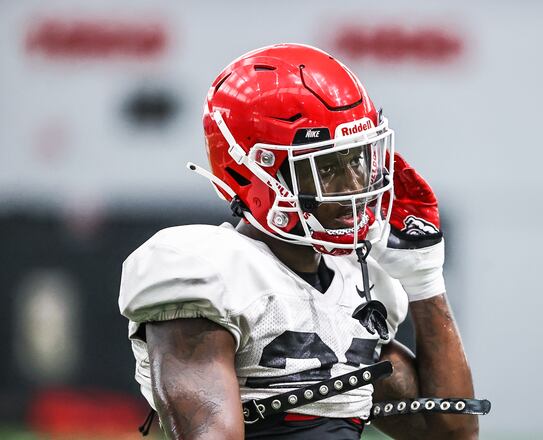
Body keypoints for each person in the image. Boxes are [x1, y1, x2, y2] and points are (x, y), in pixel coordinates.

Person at [118, 43, 483, 439]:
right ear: (254, 173)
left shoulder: (360, 286)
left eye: (357, 159)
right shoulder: (209, 272)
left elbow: (451, 433)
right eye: (326, 166)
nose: (354, 185)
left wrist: (426, 282)